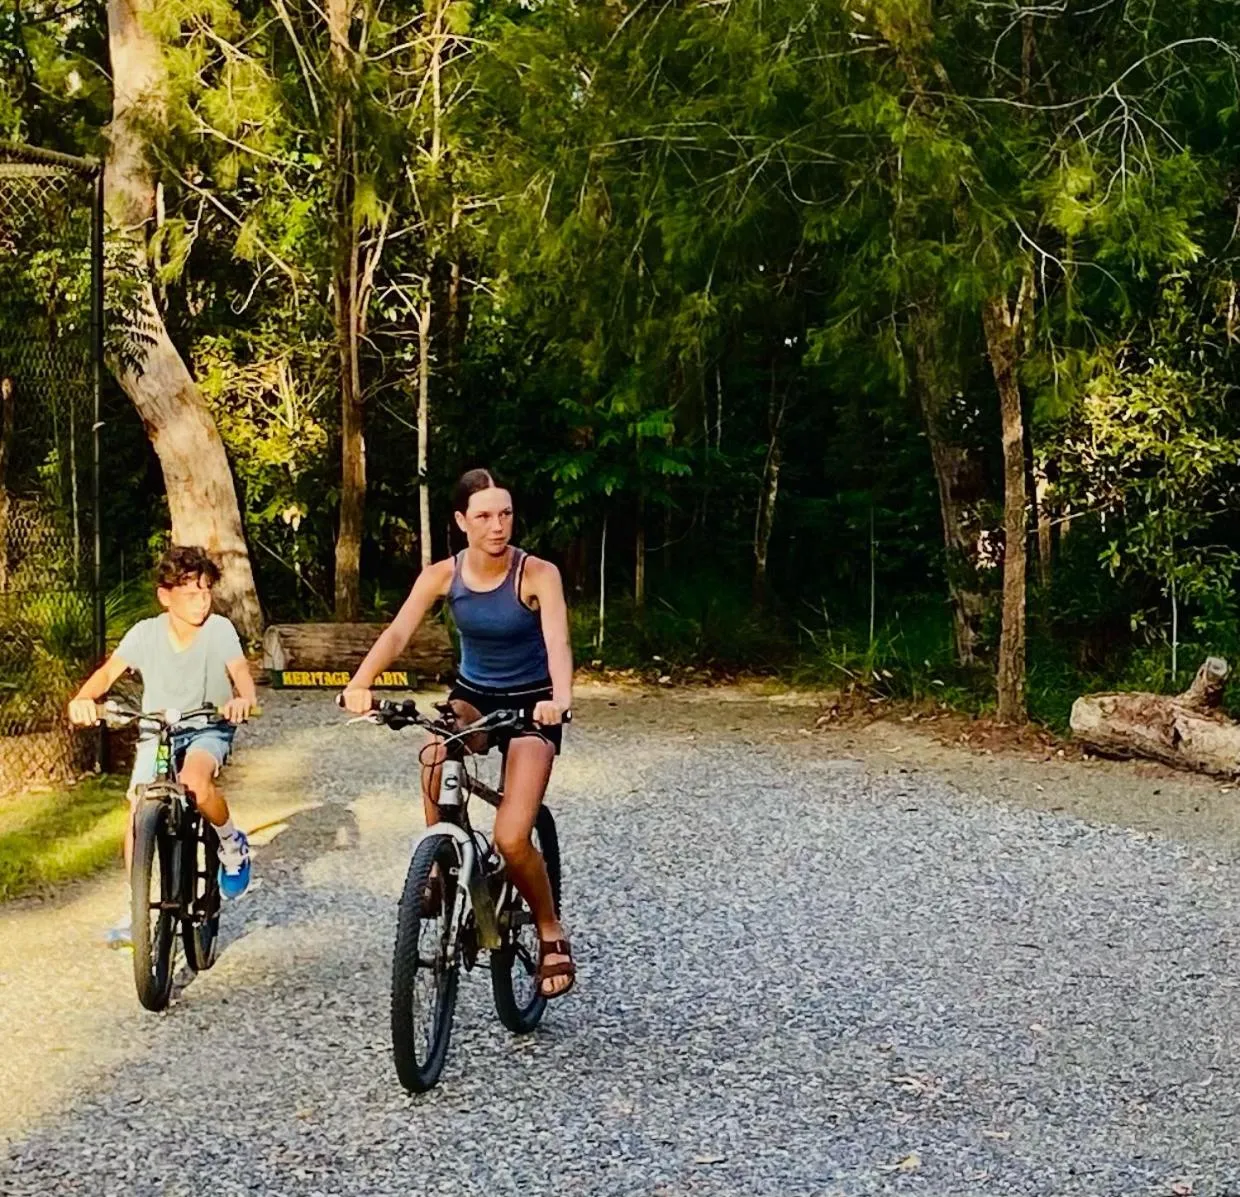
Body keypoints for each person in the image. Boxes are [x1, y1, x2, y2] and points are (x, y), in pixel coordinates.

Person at [342, 468, 576, 998]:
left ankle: (549, 929)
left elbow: (557, 641)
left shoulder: (537, 573)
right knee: (433, 749)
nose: (498, 526)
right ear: (461, 521)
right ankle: (441, 860)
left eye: (505, 514)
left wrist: (558, 701)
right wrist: (361, 683)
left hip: (530, 705)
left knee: (513, 838)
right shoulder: (442, 575)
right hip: (473, 695)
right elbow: (400, 631)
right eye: (485, 516)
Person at [68, 545, 258, 943]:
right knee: (139, 808)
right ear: (165, 596)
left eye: (206, 592)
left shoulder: (219, 631)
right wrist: (84, 699)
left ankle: (231, 842)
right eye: (190, 594)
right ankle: (137, 905)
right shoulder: (145, 634)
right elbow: (106, 675)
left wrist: (242, 699)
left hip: (208, 725)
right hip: (158, 729)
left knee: (195, 780)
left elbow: (241, 676)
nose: (201, 602)